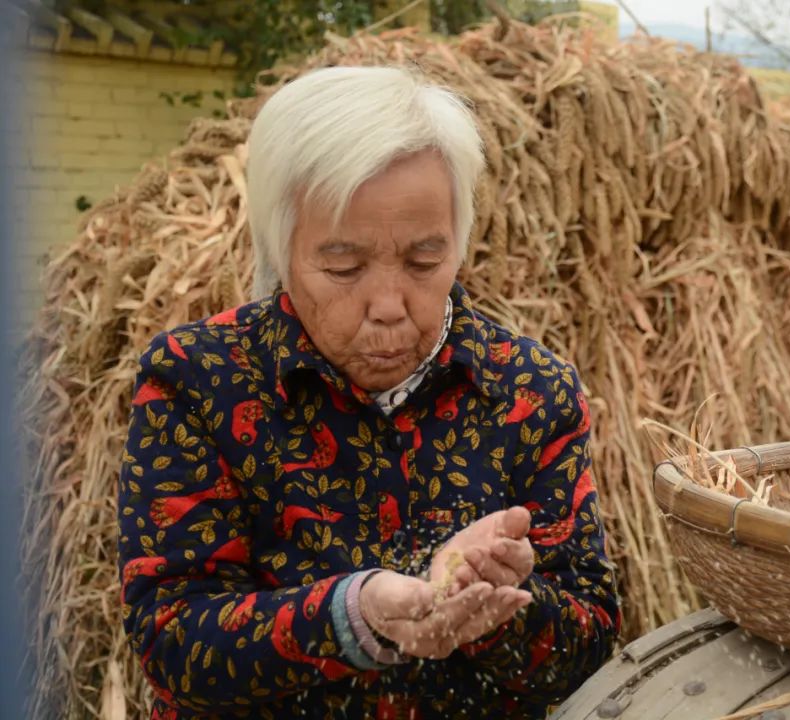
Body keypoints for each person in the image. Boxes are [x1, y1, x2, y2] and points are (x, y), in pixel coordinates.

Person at [117, 67, 620, 719]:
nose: (388, 305)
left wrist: (496, 606)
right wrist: (355, 614)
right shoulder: (198, 381)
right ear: (282, 245)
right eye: (344, 266)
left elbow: (590, 641)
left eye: (423, 262)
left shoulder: (530, 393)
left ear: (459, 243)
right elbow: (171, 640)